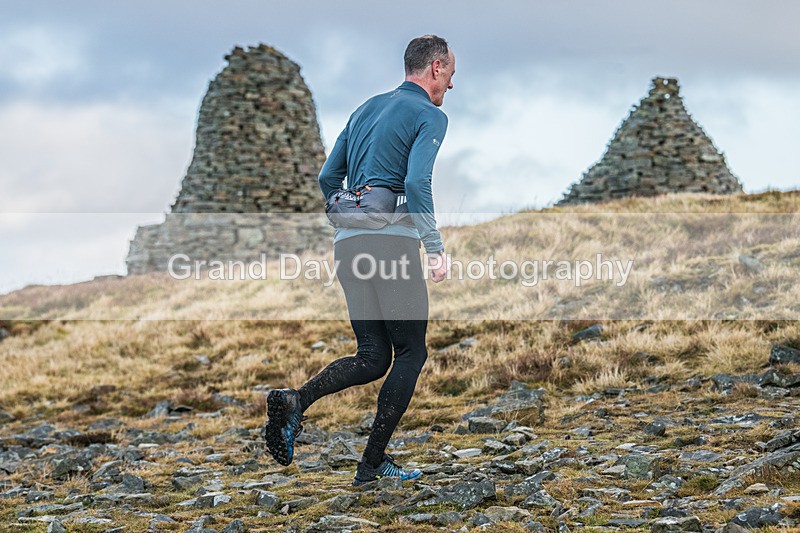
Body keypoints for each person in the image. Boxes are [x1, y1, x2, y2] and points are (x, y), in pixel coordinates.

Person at [263, 34, 455, 486]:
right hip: (393, 247)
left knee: (372, 355)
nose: (451, 85)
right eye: (450, 74)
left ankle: (295, 400)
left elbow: (328, 176)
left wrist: (354, 212)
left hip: (347, 246)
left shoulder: (365, 109)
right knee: (411, 351)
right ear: (436, 68)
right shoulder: (430, 114)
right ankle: (370, 465)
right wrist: (434, 246)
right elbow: (417, 181)